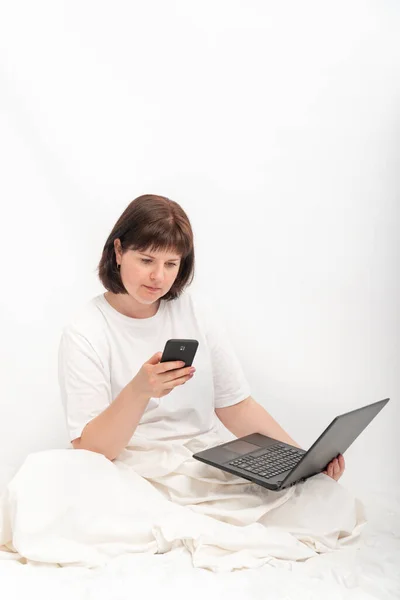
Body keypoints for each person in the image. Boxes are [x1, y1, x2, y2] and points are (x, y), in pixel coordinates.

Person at [58, 193, 344, 481]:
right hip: (130, 469)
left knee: (320, 506)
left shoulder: (195, 310)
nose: (158, 276)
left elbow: (236, 406)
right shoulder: (86, 330)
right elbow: (92, 450)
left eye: (171, 264)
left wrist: (303, 463)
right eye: (146, 260)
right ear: (118, 252)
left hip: (202, 462)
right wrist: (139, 391)